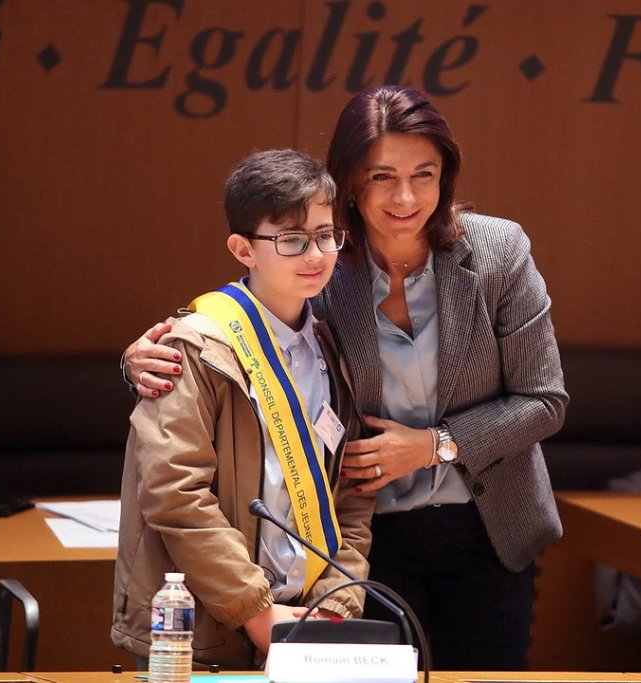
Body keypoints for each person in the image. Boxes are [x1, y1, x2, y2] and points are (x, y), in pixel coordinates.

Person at [122, 85, 569, 670]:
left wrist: (435, 446)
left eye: (424, 174)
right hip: (368, 538)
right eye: (382, 176)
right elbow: (244, 326)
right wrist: (142, 357)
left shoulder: (497, 253)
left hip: (489, 529)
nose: (405, 196)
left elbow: (545, 400)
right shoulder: (326, 261)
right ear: (350, 182)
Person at [111, 149, 375, 670]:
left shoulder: (334, 348)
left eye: (326, 235)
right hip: (204, 629)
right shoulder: (194, 346)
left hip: (313, 622)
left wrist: (337, 606)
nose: (315, 254)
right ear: (243, 249)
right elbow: (175, 494)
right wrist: (258, 615)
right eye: (291, 239)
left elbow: (352, 494)